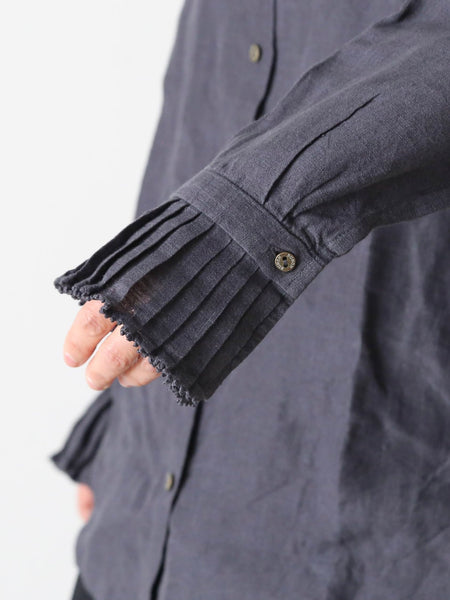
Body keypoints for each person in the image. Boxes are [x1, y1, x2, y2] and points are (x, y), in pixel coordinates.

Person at [52, 0, 450, 598]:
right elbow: (207, 106)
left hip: (361, 534)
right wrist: (123, 423)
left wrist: (252, 218)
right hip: (138, 521)